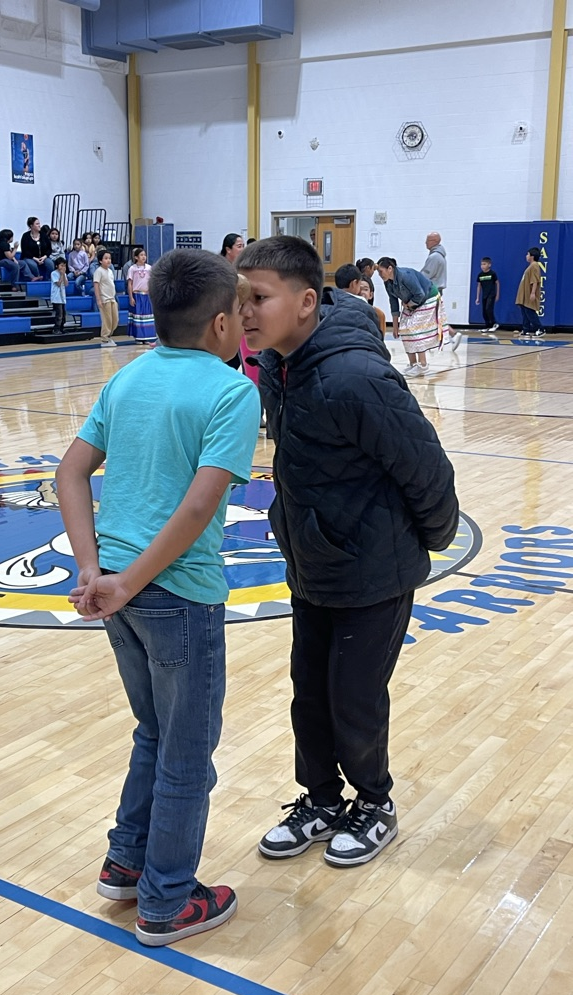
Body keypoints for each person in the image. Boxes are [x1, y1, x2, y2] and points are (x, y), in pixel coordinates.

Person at [55, 248, 259, 946]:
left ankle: (126, 862)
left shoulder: (128, 376)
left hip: (120, 594)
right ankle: (167, 902)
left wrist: (94, 571)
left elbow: (70, 473)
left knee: (154, 731)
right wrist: (128, 579)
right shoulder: (234, 391)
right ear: (223, 324)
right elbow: (200, 509)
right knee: (186, 751)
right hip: (175, 597)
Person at [237, 236, 458, 868]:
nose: (245, 311)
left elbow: (426, 469)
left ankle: (374, 803)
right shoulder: (278, 367)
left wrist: (428, 542)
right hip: (313, 561)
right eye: (240, 297)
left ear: (306, 302)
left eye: (259, 298)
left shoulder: (354, 377)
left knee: (353, 695)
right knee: (309, 691)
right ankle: (322, 800)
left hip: (374, 569)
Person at [376, 256, 440, 377]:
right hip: (412, 302)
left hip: (428, 297)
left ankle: (423, 365)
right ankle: (413, 364)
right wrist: (395, 326)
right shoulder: (387, 283)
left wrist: (408, 304)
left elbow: (420, 294)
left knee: (414, 328)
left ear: (390, 268)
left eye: (381, 271)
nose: (379, 274)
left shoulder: (405, 276)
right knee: (404, 329)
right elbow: (393, 301)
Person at [421, 232, 462, 351]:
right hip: (436, 290)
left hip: (432, 291)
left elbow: (425, 275)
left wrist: (414, 280)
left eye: (427, 240)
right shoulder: (439, 255)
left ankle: (452, 334)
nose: (425, 243)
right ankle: (443, 338)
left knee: (432, 317)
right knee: (434, 317)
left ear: (434, 241)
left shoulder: (434, 257)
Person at [221, 233, 247, 372]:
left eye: (243, 246)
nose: (242, 249)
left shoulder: (242, 267)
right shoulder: (220, 269)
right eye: (239, 246)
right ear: (228, 249)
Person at [126, 248, 156, 346]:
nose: (144, 257)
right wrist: (131, 297)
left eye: (144, 255)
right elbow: (130, 283)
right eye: (141, 255)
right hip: (137, 295)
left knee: (147, 317)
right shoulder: (132, 269)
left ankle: (147, 337)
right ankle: (139, 337)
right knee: (138, 317)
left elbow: (152, 281)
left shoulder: (149, 268)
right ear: (136, 257)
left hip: (147, 295)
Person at [93, 248, 119, 347]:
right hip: (105, 299)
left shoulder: (110, 271)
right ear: (100, 261)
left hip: (112, 298)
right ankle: (104, 338)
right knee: (106, 320)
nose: (108, 260)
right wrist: (98, 299)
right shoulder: (99, 271)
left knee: (115, 320)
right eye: (106, 258)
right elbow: (96, 285)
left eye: (109, 258)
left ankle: (109, 336)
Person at [515, 246, 543, 339]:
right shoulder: (530, 266)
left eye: (528, 254)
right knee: (524, 310)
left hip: (529, 292)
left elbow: (535, 280)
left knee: (529, 311)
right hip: (524, 292)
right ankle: (526, 329)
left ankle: (540, 328)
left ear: (532, 256)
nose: (526, 256)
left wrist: (533, 293)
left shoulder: (535, 265)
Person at [475, 257, 500, 333]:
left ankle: (494, 323)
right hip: (484, 295)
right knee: (484, 311)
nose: (482, 266)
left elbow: (497, 283)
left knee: (488, 309)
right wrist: (477, 297)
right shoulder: (480, 275)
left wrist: (497, 294)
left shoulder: (492, 274)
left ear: (489, 265)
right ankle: (487, 325)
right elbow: (479, 286)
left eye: (484, 264)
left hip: (491, 294)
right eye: (481, 264)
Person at [50, 257, 68, 336]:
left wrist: (63, 275)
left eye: (64, 265)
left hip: (62, 296)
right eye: (61, 265)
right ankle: (56, 328)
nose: (63, 267)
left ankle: (62, 327)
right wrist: (61, 275)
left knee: (64, 314)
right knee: (59, 314)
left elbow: (66, 284)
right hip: (56, 297)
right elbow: (58, 283)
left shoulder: (64, 274)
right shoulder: (53, 273)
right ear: (57, 266)